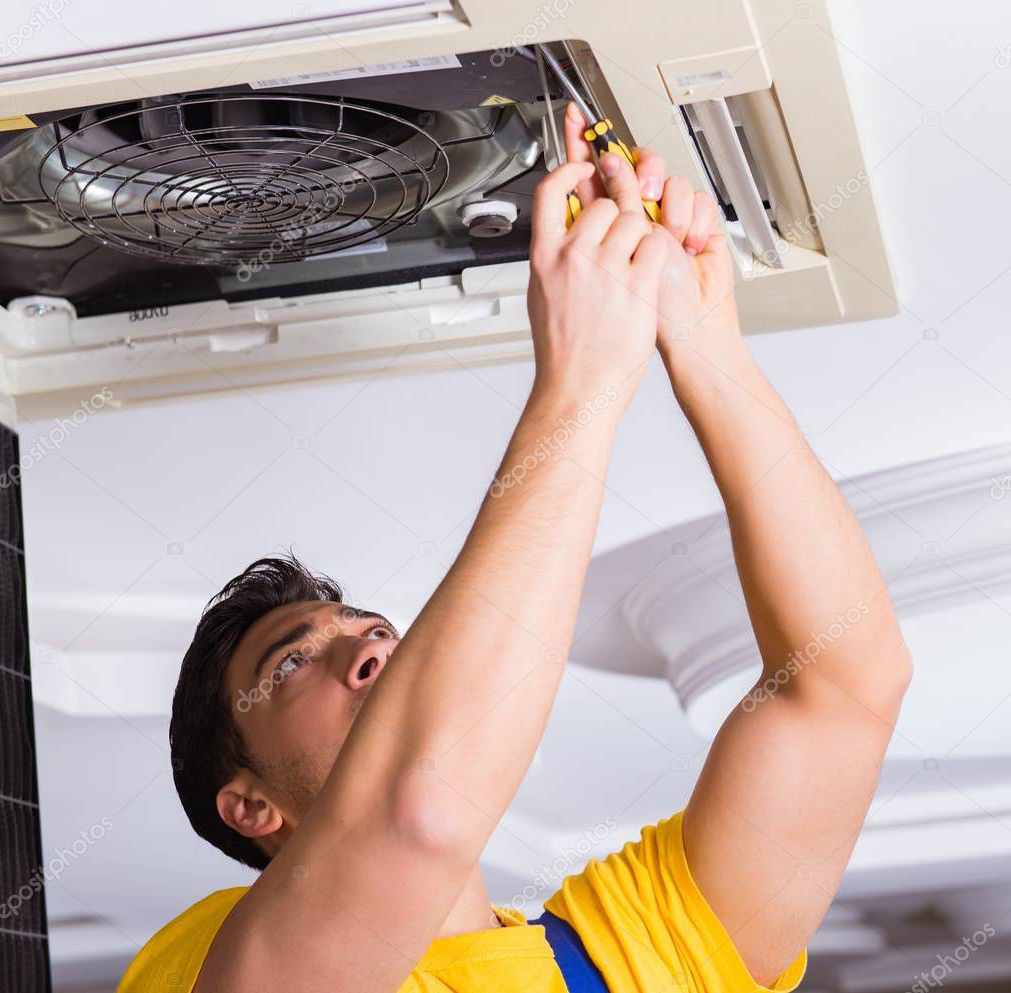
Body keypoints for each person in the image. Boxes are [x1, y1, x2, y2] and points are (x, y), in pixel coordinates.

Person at [117, 103, 912, 993]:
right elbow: (417, 811)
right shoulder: (221, 965)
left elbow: (843, 683)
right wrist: (582, 380)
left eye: (369, 626)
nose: (372, 646)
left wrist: (700, 340)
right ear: (251, 806)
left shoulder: (620, 955)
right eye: (293, 662)